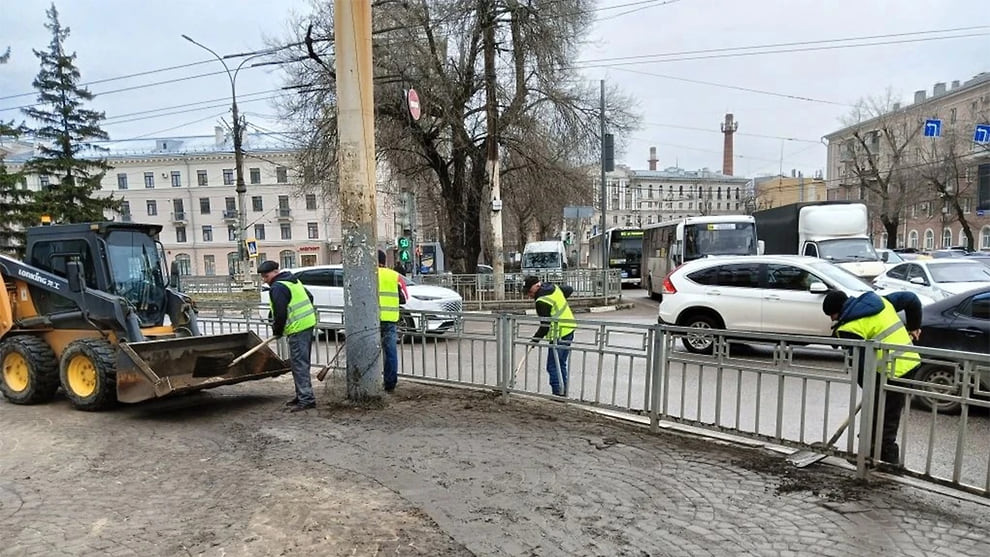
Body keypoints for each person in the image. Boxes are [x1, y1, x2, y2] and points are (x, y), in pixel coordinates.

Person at [822, 289, 923, 463]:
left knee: (886, 418)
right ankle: (868, 454)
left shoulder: (850, 327)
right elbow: (911, 298)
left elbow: (861, 366)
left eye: (831, 315)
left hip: (893, 372)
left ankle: (889, 464)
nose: (832, 319)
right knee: (877, 413)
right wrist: (914, 326)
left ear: (837, 310)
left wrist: (869, 389)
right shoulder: (879, 302)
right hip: (910, 362)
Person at [259, 260, 318, 412]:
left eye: (266, 276)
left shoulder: (278, 287)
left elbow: (280, 313)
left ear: (275, 272)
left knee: (299, 364)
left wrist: (277, 331)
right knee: (300, 363)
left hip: (298, 329)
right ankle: (302, 395)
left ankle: (306, 399)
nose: (265, 280)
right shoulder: (292, 280)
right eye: (263, 277)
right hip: (307, 324)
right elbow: (310, 297)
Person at [524, 275, 576, 397]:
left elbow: (545, 326)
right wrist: (561, 299)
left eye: (530, 291)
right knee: (561, 363)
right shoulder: (553, 288)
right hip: (569, 329)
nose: (529, 295)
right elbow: (569, 289)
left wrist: (534, 341)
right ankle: (563, 391)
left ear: (537, 286)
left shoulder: (542, 301)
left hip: (559, 334)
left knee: (553, 365)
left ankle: (558, 393)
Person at [378, 250, 408, 393]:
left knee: (371, 351)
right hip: (390, 319)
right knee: (390, 352)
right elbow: (403, 299)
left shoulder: (371, 275)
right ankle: (390, 384)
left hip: (374, 320)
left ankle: (371, 381)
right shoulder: (393, 275)